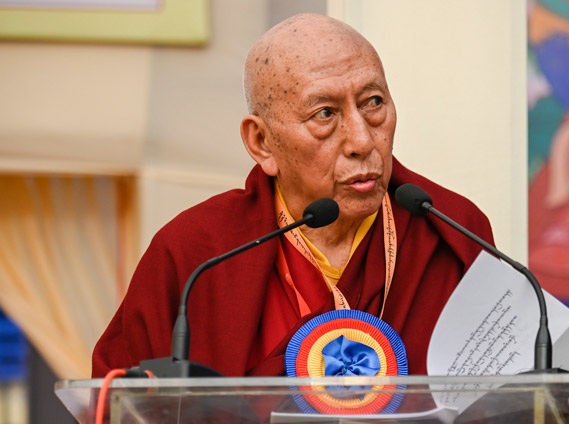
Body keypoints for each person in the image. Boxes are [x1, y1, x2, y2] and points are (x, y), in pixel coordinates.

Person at [92, 13, 494, 378]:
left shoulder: (450, 230)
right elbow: (119, 402)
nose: (362, 140)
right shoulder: (196, 253)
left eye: (373, 103)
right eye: (325, 114)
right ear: (262, 141)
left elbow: (503, 398)